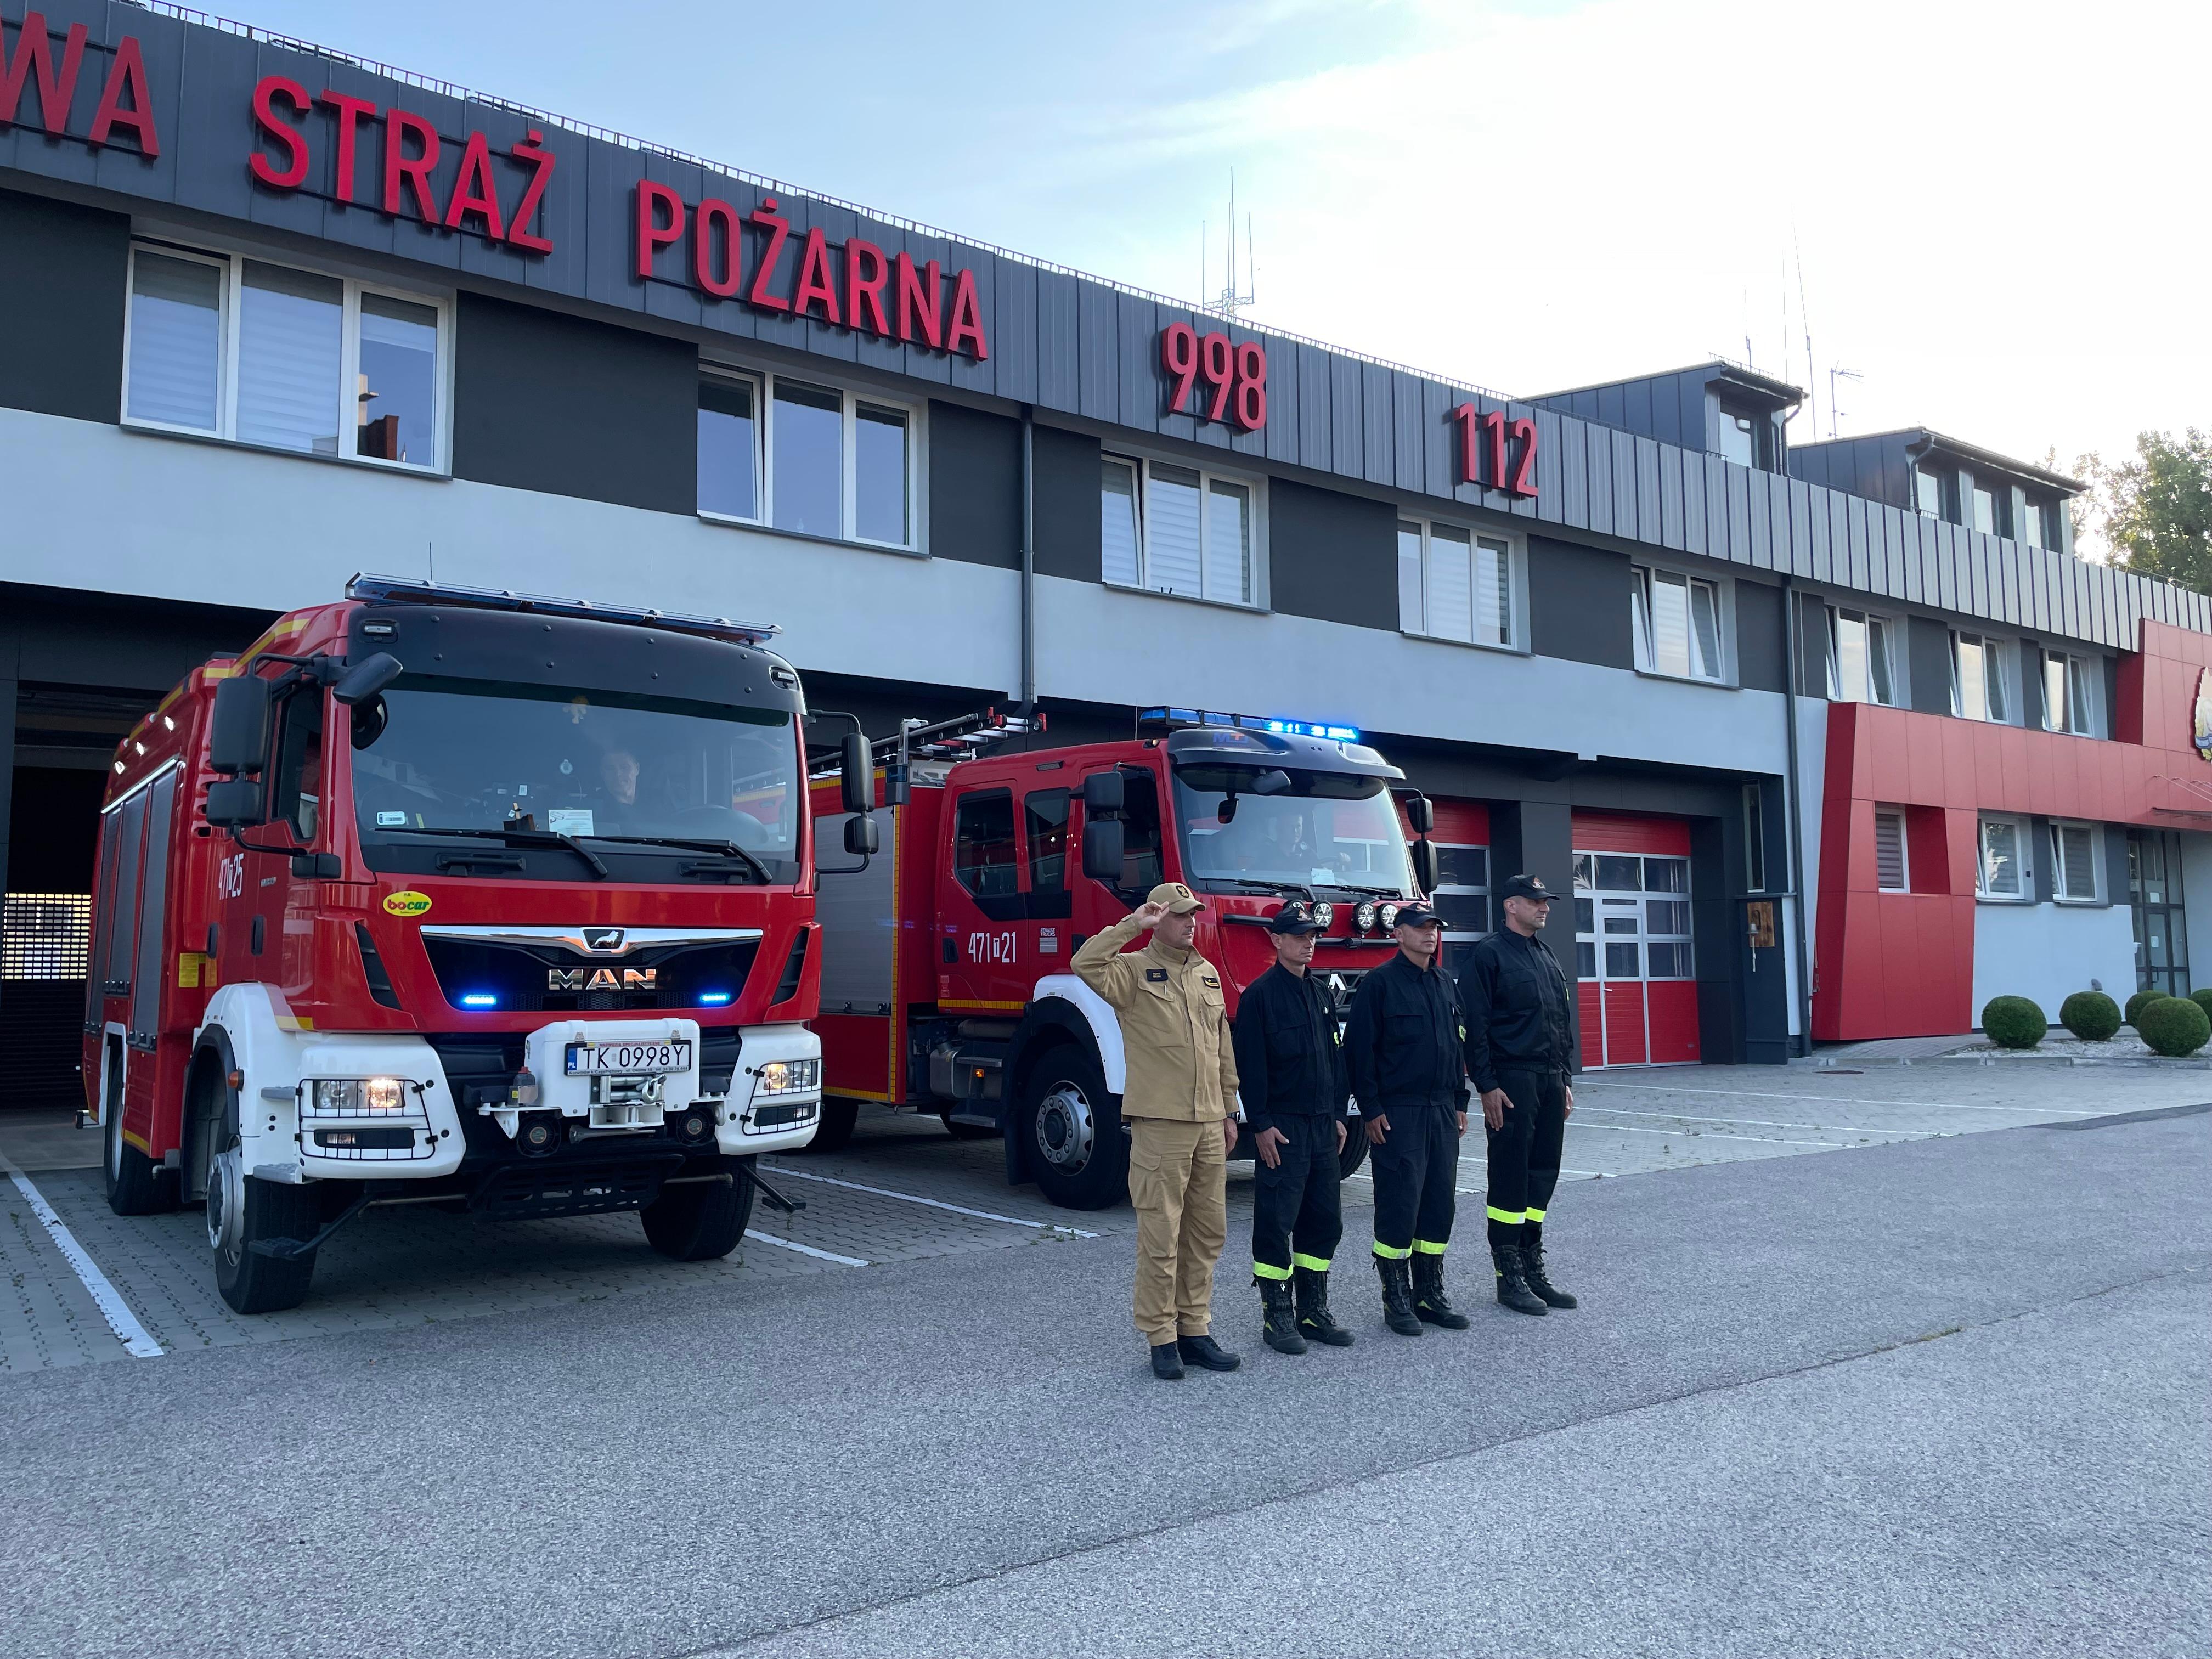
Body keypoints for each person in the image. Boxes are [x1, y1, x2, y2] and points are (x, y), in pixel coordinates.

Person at [1072, 881, 1242, 1381]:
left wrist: (1229, 1111)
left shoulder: (1207, 974)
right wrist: (1132, 924)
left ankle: (1195, 1330)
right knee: (1161, 1237)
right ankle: (1162, 1338)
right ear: (1159, 918)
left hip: (1208, 1124)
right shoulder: (1131, 971)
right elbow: (1085, 963)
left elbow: (1222, 1050)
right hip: (1161, 1125)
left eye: (1193, 915)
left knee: (1206, 1234)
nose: (1191, 923)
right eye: (1181, 915)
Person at [1342, 901, 1472, 1336]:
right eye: (1420, 928)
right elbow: (1359, 1052)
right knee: (1400, 1204)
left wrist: (1460, 1101)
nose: (1429, 935)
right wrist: (1371, 1108)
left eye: (1434, 927)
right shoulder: (1379, 984)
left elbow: (1456, 1046)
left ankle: (1429, 1293)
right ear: (1398, 934)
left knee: (1438, 1205)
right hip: (1399, 1112)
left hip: (1441, 1110)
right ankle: (1396, 1297)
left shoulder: (1444, 983)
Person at [1231, 900, 1353, 1354]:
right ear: (1276, 941)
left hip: (1322, 1127)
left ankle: (1313, 1310)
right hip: (1283, 1128)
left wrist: (1339, 1115)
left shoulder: (1321, 994)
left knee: (1324, 1220)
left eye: (1313, 936)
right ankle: (1278, 1315)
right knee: (1275, 1221)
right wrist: (1261, 1125)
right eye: (1299, 937)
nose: (1309, 944)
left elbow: (1336, 1060)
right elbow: (1250, 1068)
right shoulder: (1259, 997)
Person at [1459, 873, 1581, 1317]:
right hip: (1512, 1081)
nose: (1544, 907)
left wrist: (1564, 1080)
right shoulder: (1488, 956)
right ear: (1511, 905)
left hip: (1548, 1080)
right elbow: (1474, 1026)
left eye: (1545, 901)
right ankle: (1507, 1273)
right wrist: (1486, 1085)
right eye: (1535, 901)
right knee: (1511, 1174)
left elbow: (1560, 1022)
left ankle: (1532, 1265)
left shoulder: (1546, 955)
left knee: (1543, 1173)